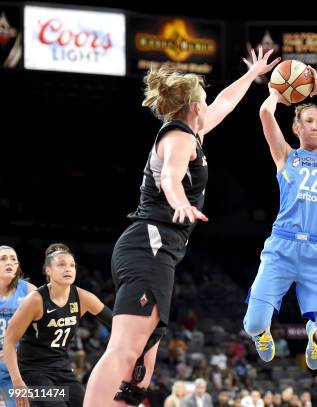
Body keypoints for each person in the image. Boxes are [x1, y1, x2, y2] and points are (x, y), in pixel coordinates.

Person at [82, 47, 280, 406]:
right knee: (126, 349)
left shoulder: (193, 133)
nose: (209, 105)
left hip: (159, 250)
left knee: (145, 357)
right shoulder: (179, 137)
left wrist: (252, 76)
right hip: (149, 243)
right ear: (194, 106)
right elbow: (171, 178)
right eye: (204, 99)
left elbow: (225, 103)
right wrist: (181, 203)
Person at [243, 66, 317, 370]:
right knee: (252, 325)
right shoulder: (285, 155)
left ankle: (314, 336)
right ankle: (263, 333)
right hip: (282, 246)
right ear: (297, 127)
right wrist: (275, 92)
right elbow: (266, 115)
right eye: (310, 121)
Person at [4, 243, 112, 407]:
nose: (68, 269)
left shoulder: (83, 297)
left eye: (72, 265)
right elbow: (9, 340)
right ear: (48, 270)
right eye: (61, 265)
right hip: (32, 372)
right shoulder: (35, 300)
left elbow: (116, 322)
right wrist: (18, 383)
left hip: (62, 369)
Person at [0, 246, 36, 406]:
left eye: (13, 259)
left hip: (20, 363)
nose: (10, 262)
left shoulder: (29, 290)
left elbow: (46, 329)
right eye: (3, 259)